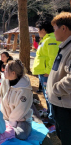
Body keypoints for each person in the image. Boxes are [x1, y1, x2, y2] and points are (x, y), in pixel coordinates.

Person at [46, 12, 71, 145]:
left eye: (55, 28)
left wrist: (56, 89)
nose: (53, 32)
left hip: (66, 106)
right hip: (60, 103)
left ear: (64, 28)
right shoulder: (65, 46)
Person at [32, 20, 60, 126]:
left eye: (38, 30)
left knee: (49, 97)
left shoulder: (50, 40)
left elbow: (53, 58)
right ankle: (50, 115)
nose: (38, 32)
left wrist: (48, 72)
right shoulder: (47, 39)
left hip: (46, 74)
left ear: (43, 30)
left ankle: (52, 120)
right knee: (47, 96)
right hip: (43, 73)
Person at [0, 60, 33, 140]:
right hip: (6, 118)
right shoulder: (5, 81)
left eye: (6, 69)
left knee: (21, 135)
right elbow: (1, 98)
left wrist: (11, 124)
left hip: (22, 119)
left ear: (13, 73)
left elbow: (21, 110)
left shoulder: (24, 89)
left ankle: (10, 131)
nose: (4, 71)